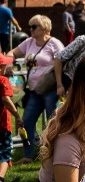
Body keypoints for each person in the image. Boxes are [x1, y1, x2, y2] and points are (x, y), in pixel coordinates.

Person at [6, 14, 64, 162]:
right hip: (34, 92)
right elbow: (12, 52)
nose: (30, 29)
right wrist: (9, 63)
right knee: (26, 122)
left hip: (51, 91)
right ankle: (28, 155)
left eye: (34, 26)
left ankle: (54, 153)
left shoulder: (55, 43)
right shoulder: (29, 42)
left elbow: (62, 64)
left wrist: (59, 85)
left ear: (45, 28)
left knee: (54, 123)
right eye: (30, 26)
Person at [0, 56, 21, 182]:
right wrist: (17, 115)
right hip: (2, 125)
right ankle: (0, 178)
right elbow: (6, 100)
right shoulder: (3, 80)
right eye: (3, 65)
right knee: (5, 153)